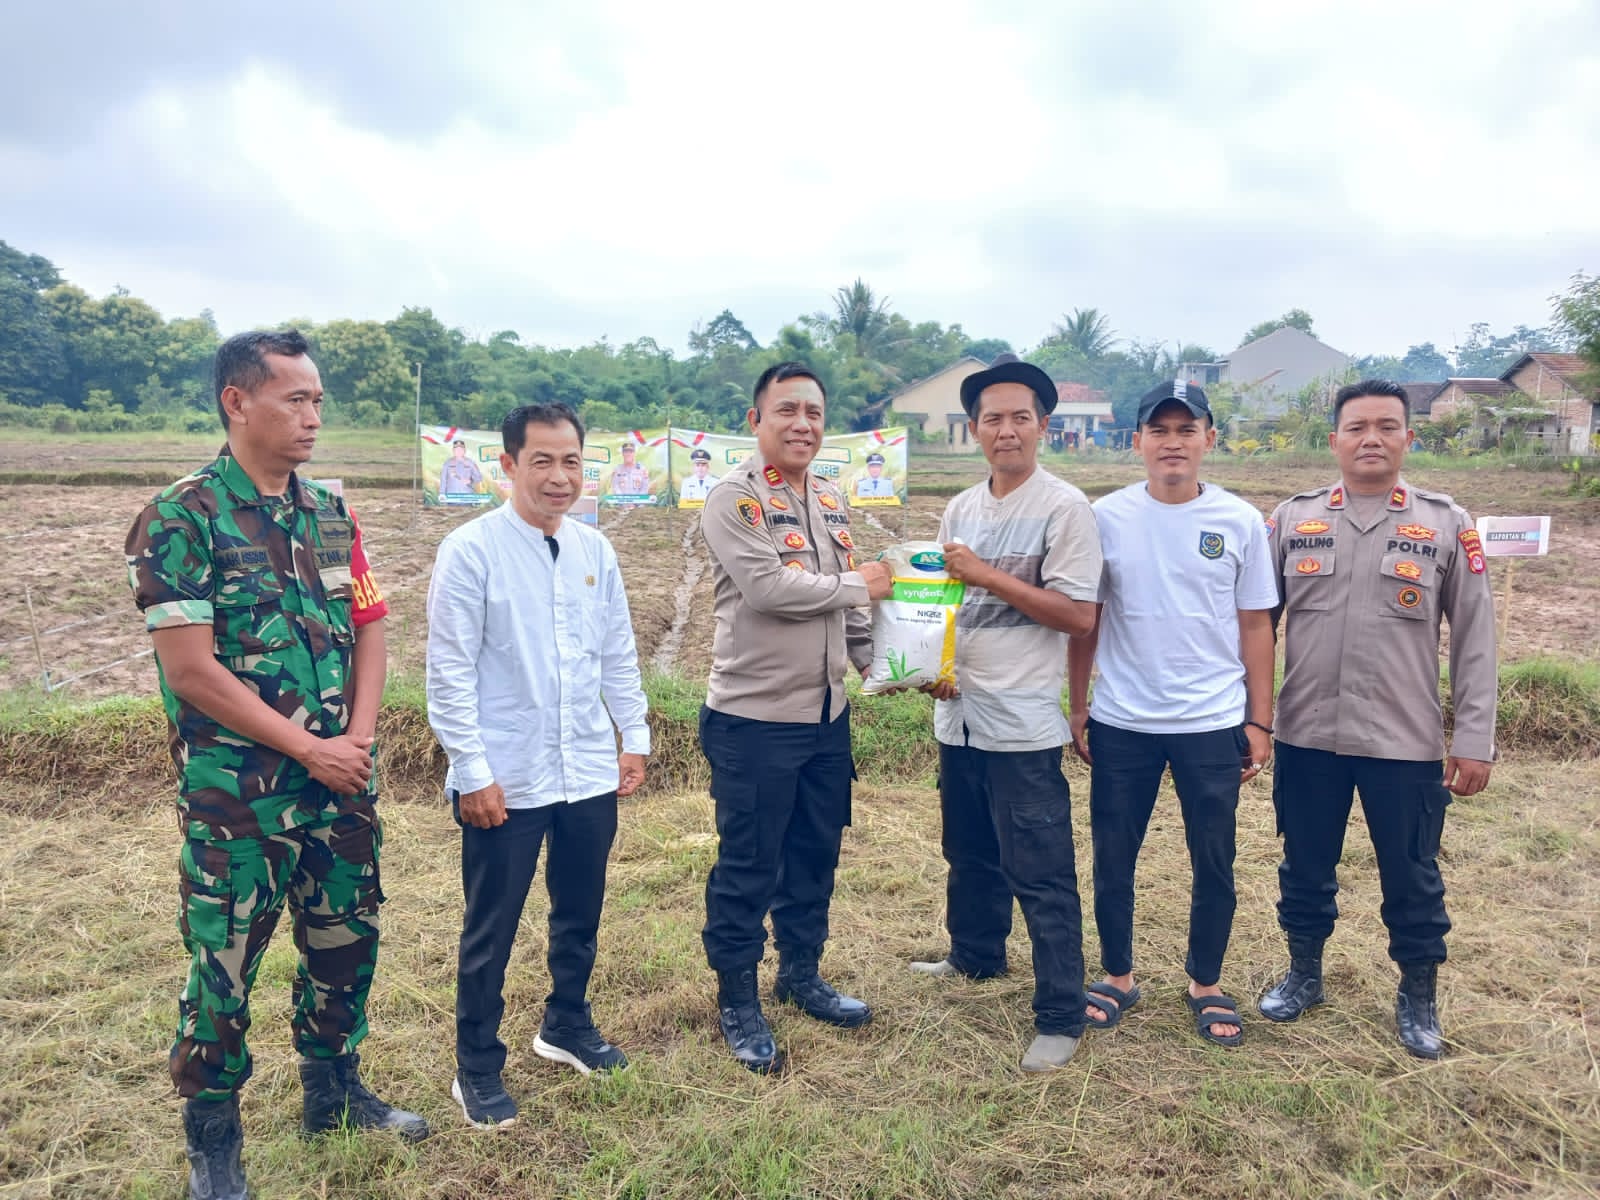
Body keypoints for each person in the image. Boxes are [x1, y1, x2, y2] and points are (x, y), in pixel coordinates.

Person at [125, 330, 428, 1200]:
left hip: (340, 785)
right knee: (223, 965)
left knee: (346, 939)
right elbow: (190, 669)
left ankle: (332, 1093)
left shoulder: (330, 511)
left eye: (319, 400)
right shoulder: (181, 517)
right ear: (236, 402)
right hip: (240, 803)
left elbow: (368, 622)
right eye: (295, 399)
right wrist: (311, 748)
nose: (313, 417)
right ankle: (213, 1141)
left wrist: (359, 741)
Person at [1258, 378, 1496, 1059]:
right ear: (1333, 439)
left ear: (1407, 438)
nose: (1371, 438)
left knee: (1412, 874)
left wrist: (1472, 738)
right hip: (1306, 735)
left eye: (1386, 427)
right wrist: (1251, 719)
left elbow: (1477, 639)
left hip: (1404, 742)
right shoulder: (1294, 518)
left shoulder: (1448, 522)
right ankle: (1304, 972)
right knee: (1303, 867)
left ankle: (1418, 994)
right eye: (1356, 427)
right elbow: (1254, 627)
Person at [426, 402, 650, 1127]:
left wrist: (634, 733)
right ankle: (477, 1065)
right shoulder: (471, 550)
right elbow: (450, 671)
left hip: (586, 767)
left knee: (579, 910)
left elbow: (617, 651)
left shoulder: (594, 550)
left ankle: (566, 1024)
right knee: (492, 923)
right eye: (543, 461)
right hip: (507, 775)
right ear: (510, 466)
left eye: (573, 462)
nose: (560, 478)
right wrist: (473, 769)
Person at [1066, 380, 1278, 1048]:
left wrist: (1259, 720)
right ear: (1138, 442)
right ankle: (1118, 975)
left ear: (1210, 440)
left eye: (1188, 430)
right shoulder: (1106, 519)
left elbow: (1256, 628)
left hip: (1212, 723)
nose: (1173, 443)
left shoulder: (1240, 522)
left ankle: (1206, 983)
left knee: (1214, 857)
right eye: (1159, 430)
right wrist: (1080, 706)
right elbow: (1087, 623)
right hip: (1124, 719)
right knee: (1113, 855)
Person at [909, 353, 1102, 1072]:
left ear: (1043, 426)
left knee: (1041, 868)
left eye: (1021, 416)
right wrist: (932, 664)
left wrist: (986, 573)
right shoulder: (960, 507)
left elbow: (1079, 615)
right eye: (993, 417)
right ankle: (975, 956)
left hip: (1021, 721)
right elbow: (943, 606)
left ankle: (1059, 1011)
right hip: (959, 714)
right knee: (968, 851)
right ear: (974, 429)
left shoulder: (1064, 508)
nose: (1007, 429)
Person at [698, 361, 893, 1074]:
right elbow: (769, 588)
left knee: (815, 851)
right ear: (757, 421)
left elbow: (853, 606)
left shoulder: (832, 500)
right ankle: (738, 998)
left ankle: (801, 973)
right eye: (787, 410)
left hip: (824, 716)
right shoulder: (734, 498)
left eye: (813, 411)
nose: (802, 423)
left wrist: (876, 661)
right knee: (750, 863)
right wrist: (858, 582)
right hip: (754, 721)